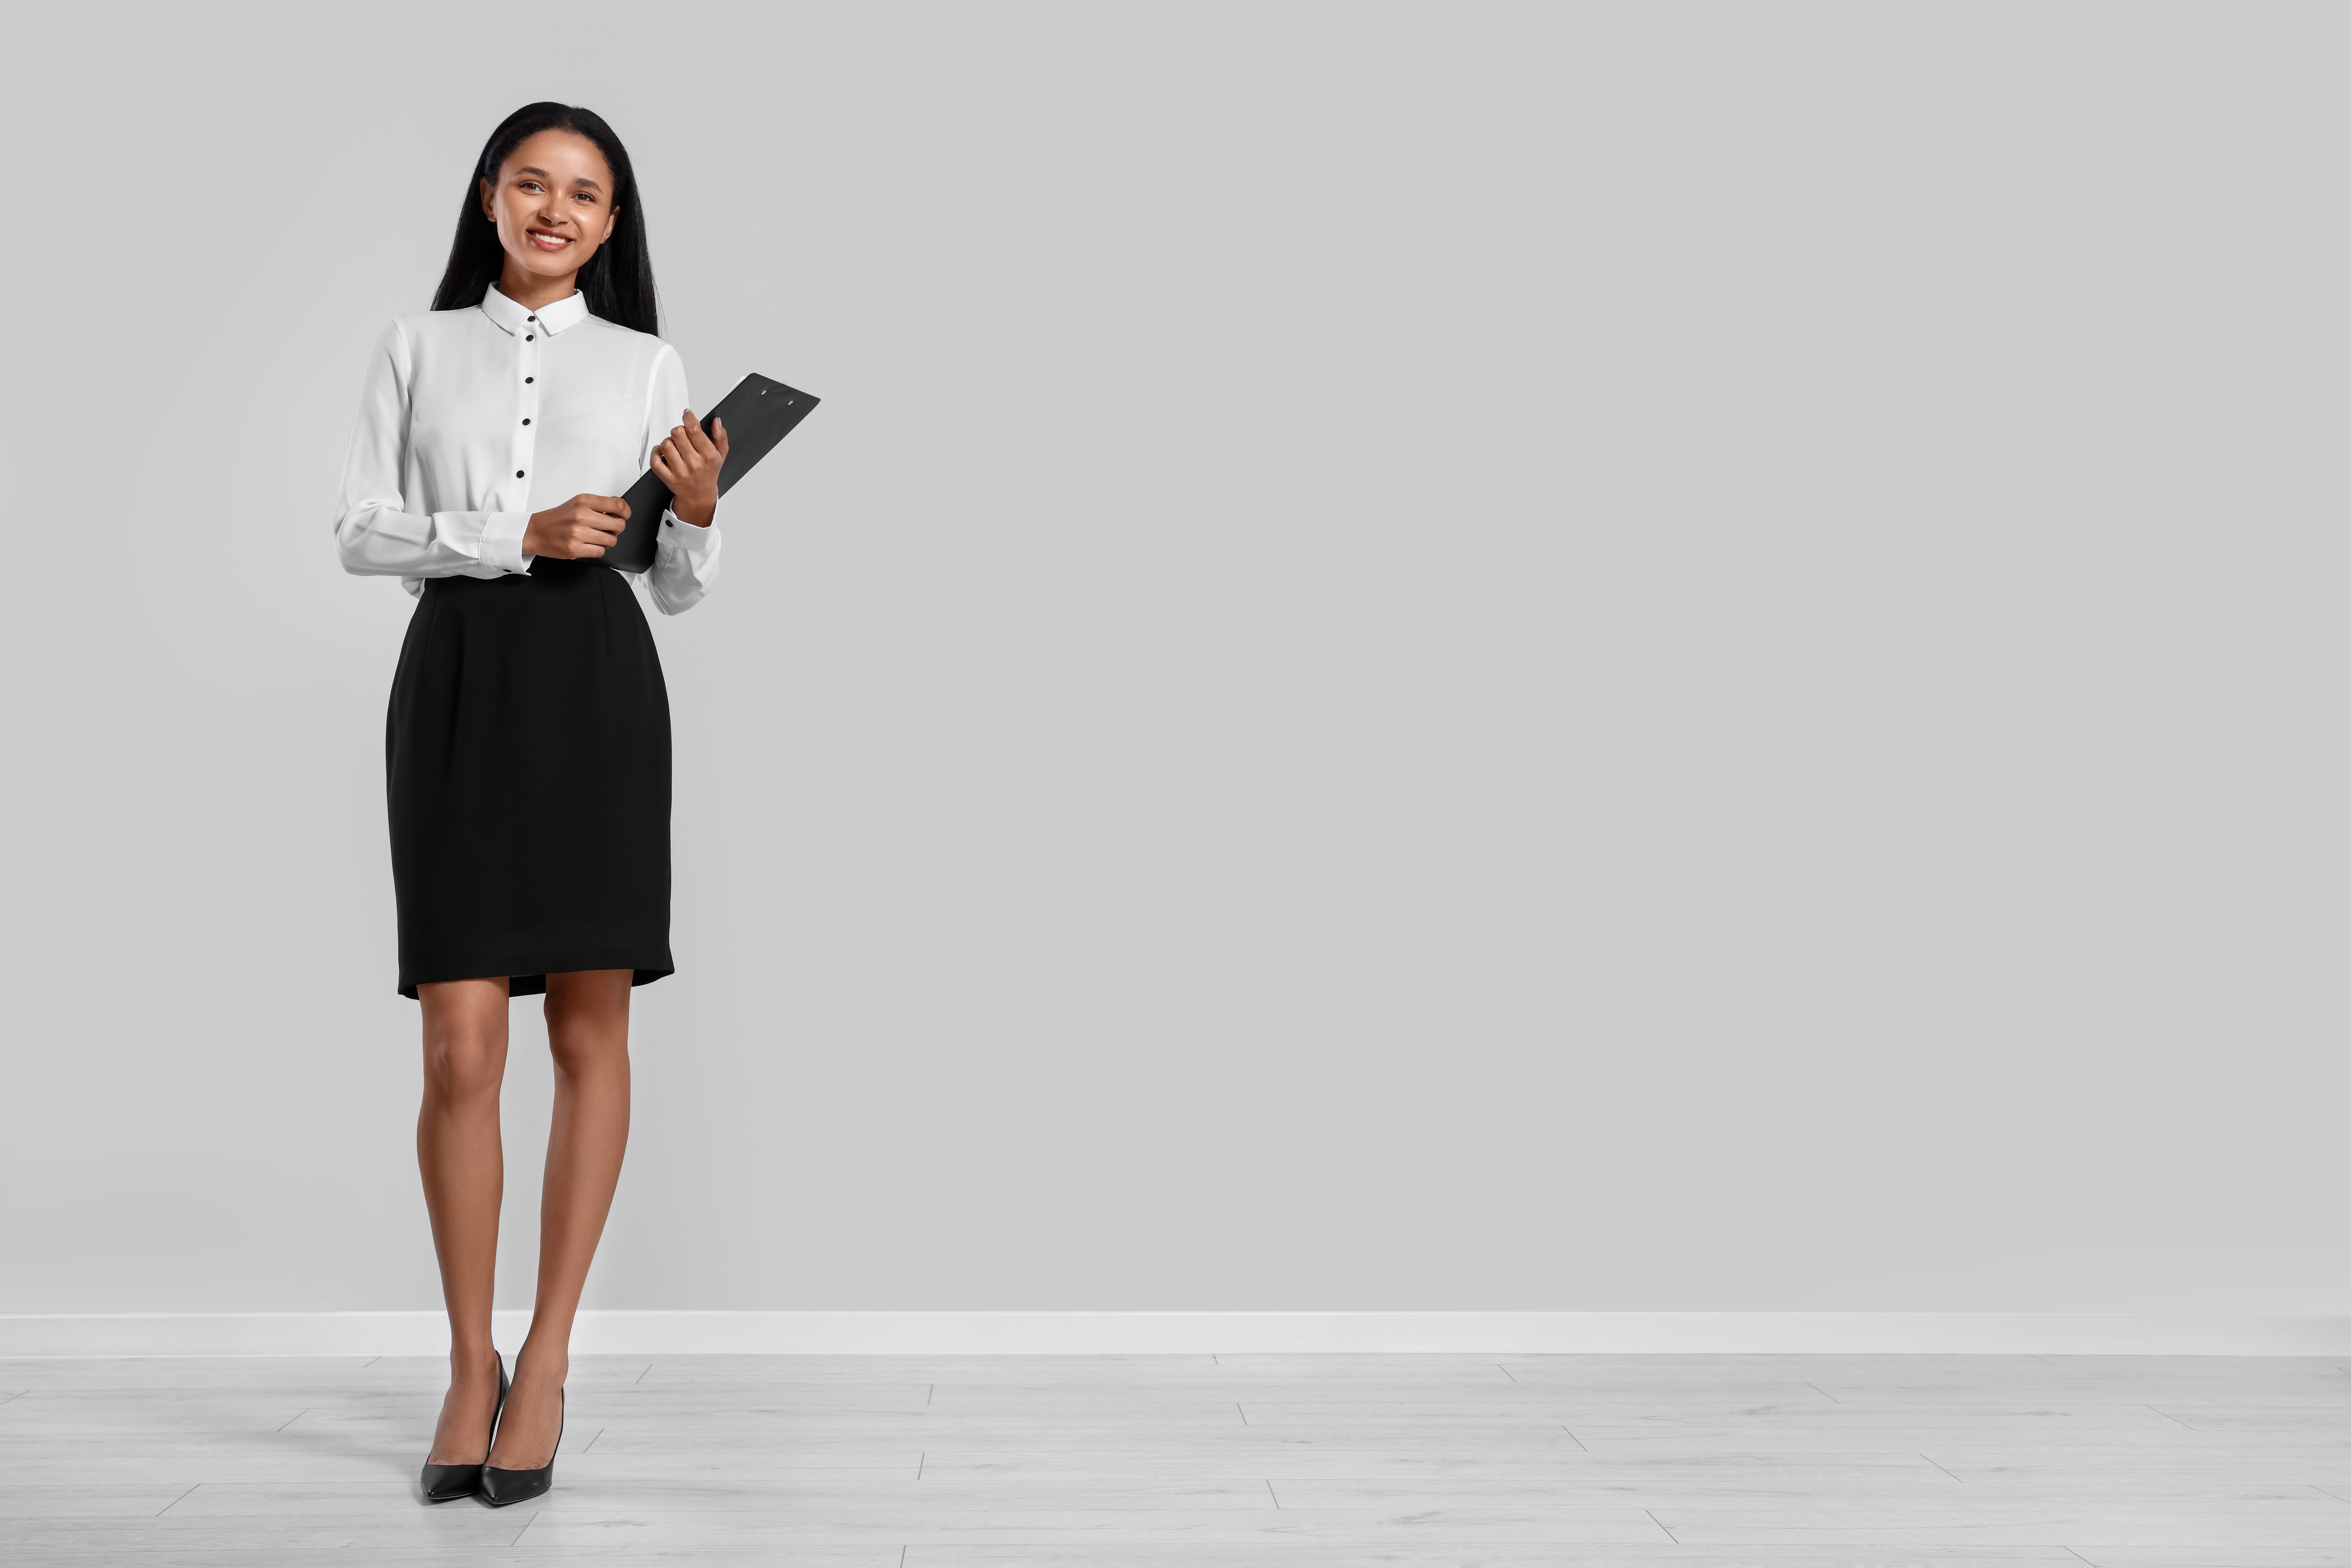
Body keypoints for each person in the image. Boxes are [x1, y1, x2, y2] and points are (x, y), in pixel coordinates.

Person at [333, 101, 728, 1507]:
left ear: (611, 225)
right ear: (490, 198)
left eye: (585, 194)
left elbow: (674, 590)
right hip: (456, 682)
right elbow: (357, 531)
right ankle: (465, 1360)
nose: (556, 209)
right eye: (531, 183)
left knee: (587, 1021)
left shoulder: (644, 361)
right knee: (456, 1048)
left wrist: (692, 512)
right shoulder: (415, 345)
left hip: (597, 691)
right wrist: (513, 533)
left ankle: (547, 1359)